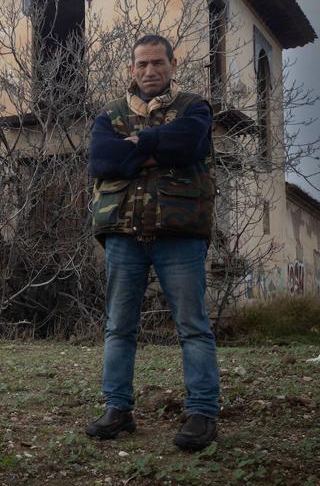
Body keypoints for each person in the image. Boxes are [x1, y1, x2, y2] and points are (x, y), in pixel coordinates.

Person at [85, 35, 220, 451]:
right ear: (131, 69)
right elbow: (101, 161)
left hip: (179, 233)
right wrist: (157, 148)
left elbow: (188, 144)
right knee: (118, 327)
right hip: (124, 234)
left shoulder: (195, 108)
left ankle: (202, 413)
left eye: (157, 63)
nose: (150, 71)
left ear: (172, 64)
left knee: (192, 327)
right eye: (142, 64)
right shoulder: (109, 114)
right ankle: (117, 409)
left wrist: (135, 145)